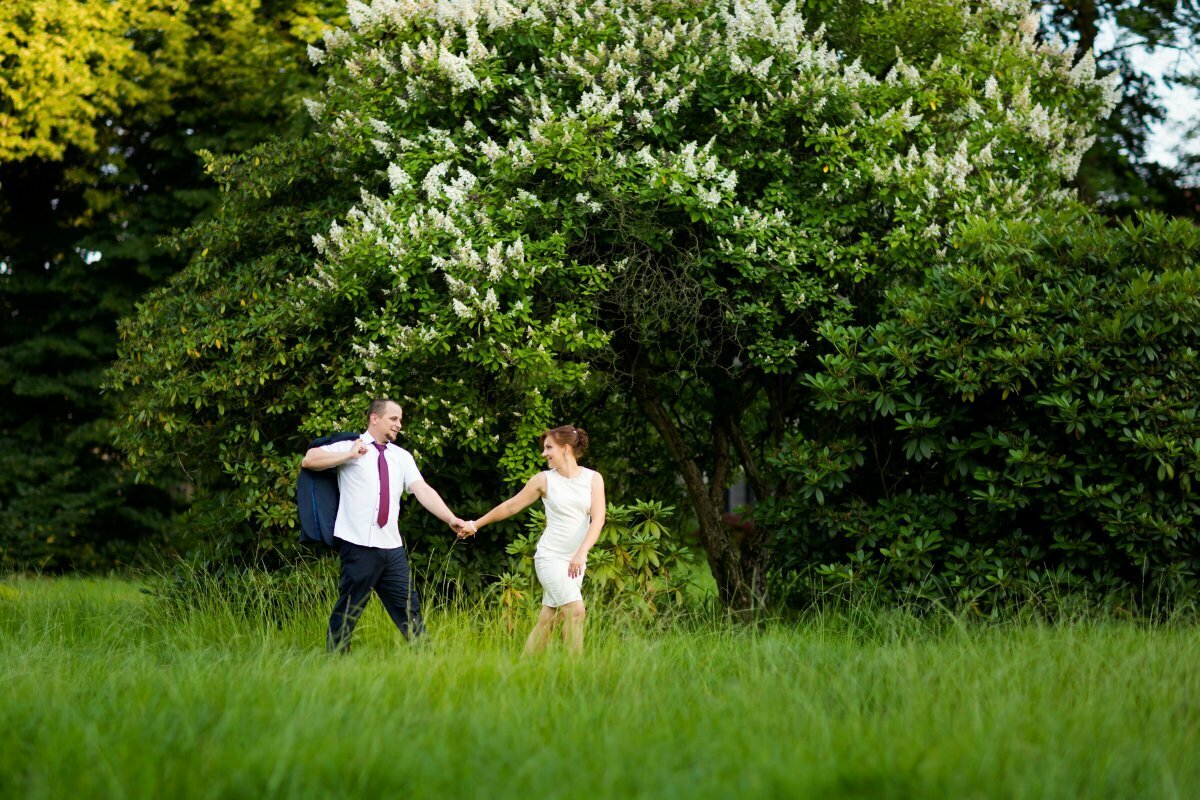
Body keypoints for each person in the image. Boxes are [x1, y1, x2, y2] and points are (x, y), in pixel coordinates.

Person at [302, 398, 465, 653]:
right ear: (374, 418)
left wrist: (450, 518)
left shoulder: (402, 457)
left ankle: (427, 659)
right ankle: (336, 660)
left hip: (391, 547)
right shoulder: (351, 445)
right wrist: (349, 455)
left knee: (409, 608)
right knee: (349, 608)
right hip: (358, 544)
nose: (399, 424)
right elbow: (309, 459)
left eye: (400, 420)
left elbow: (422, 490)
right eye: (394, 418)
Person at [459, 425, 606, 655]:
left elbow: (598, 519)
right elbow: (511, 506)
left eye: (549, 448)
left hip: (576, 562)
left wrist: (582, 552)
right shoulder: (543, 480)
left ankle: (525, 667)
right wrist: (475, 524)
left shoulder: (593, 479)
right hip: (551, 558)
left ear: (565, 448)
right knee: (575, 611)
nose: (544, 453)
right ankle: (576, 671)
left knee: (550, 619)